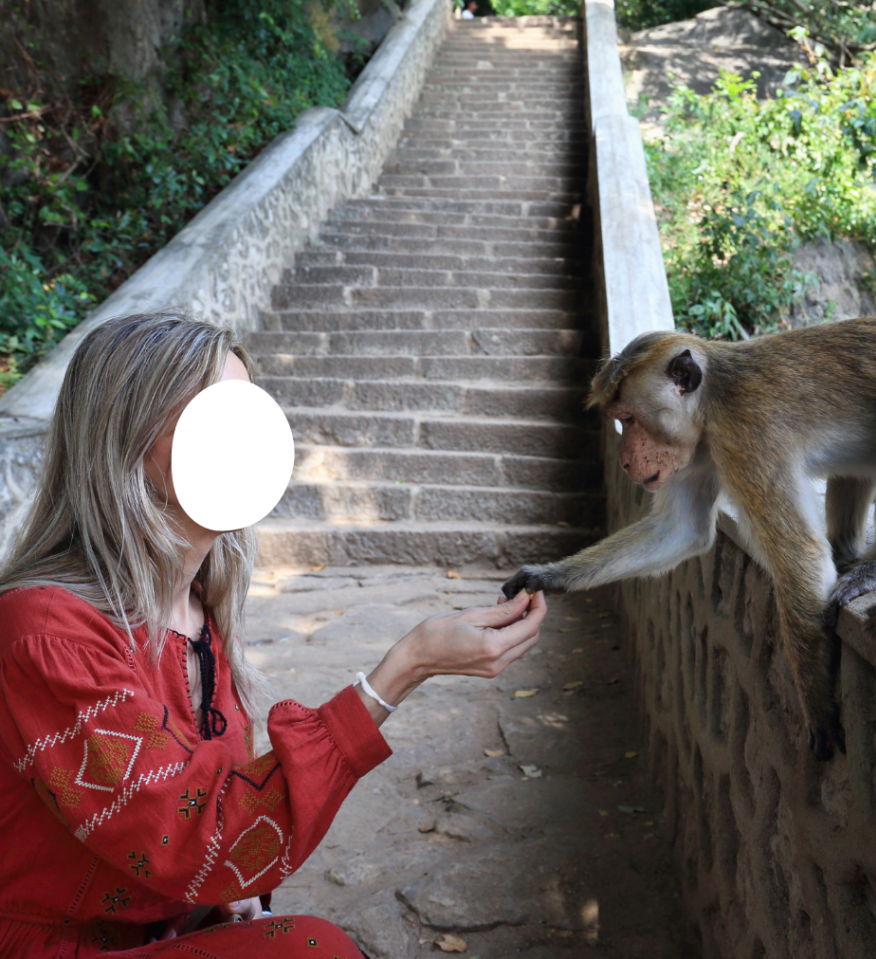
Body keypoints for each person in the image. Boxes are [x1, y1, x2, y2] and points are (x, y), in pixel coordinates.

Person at [0, 312, 547, 958]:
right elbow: (191, 839)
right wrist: (402, 669)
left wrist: (226, 894)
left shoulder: (198, 613)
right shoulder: (44, 633)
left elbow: (210, 813)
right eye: (213, 417)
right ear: (125, 435)